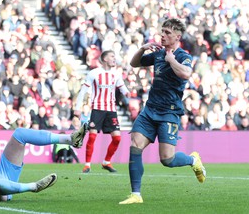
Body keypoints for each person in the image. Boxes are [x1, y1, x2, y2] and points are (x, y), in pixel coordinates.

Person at [119, 18, 206, 205]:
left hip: (169, 112)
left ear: (177, 36)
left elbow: (186, 74)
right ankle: (136, 194)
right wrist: (142, 49)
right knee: (135, 145)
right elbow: (135, 63)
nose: (163, 35)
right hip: (149, 110)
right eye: (162, 31)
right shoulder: (158, 54)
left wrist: (171, 59)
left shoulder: (183, 55)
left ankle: (193, 160)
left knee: (167, 159)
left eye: (167, 32)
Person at [74, 50, 130, 173]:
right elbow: (83, 91)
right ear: (105, 59)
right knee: (92, 137)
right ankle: (87, 164)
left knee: (117, 139)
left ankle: (106, 162)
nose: (115, 59)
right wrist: (78, 108)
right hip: (97, 109)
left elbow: (123, 88)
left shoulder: (116, 74)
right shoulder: (94, 73)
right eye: (112, 56)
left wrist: (127, 93)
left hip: (111, 110)